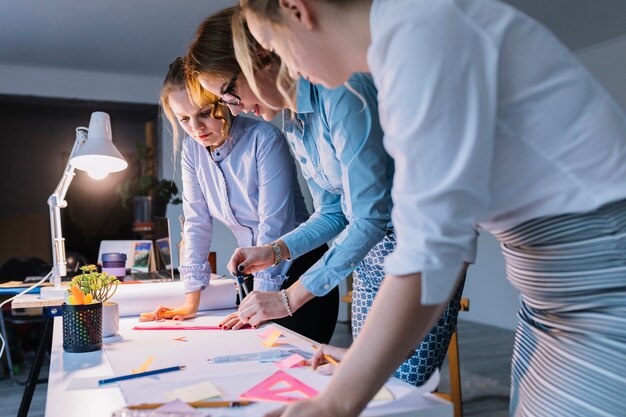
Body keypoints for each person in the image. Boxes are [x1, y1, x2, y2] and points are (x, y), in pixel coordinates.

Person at [239, 0, 626, 416]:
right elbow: (444, 245)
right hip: (548, 300)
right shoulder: (405, 40)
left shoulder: (420, 35)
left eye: (272, 46)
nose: (284, 71)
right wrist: (362, 359)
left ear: (296, 9)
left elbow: (433, 255)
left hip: (601, 293)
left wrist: (336, 403)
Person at [184, 7, 465, 386]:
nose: (235, 108)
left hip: (418, 252)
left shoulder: (341, 91)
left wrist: (287, 299)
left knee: (399, 387)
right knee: (373, 384)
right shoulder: (294, 119)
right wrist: (275, 251)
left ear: (261, 58)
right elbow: (333, 211)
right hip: (367, 258)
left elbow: (369, 218)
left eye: (230, 92)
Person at [141, 57, 338, 344]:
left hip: (301, 270)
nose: (196, 128)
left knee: (299, 370)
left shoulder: (264, 138)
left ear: (224, 101)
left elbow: (275, 225)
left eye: (205, 113)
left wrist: (261, 299)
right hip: (257, 276)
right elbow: (196, 221)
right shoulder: (192, 151)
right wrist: (191, 300)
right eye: (184, 119)